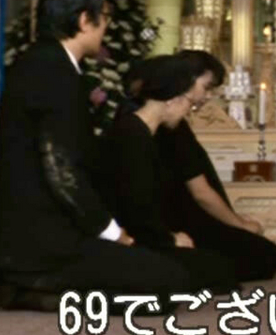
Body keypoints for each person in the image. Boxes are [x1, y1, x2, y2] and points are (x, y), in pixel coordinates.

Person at [0, 0, 192, 312]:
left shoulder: (43, 63)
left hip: (43, 233)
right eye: (106, 17)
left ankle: (39, 288)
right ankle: (38, 291)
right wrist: (112, 233)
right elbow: (61, 170)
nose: (107, 27)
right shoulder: (51, 72)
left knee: (166, 272)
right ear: (85, 20)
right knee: (171, 283)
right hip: (46, 243)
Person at [97, 55, 239, 294]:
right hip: (126, 240)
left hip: (147, 236)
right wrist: (170, 240)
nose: (188, 112)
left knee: (219, 268)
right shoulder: (132, 136)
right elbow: (136, 209)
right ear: (172, 99)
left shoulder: (142, 133)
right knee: (214, 271)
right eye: (189, 105)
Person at [154, 51, 276, 282]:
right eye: (206, 87)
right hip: (183, 222)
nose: (208, 96)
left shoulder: (174, 126)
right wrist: (241, 225)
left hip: (184, 218)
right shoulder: (171, 128)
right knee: (264, 255)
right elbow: (201, 193)